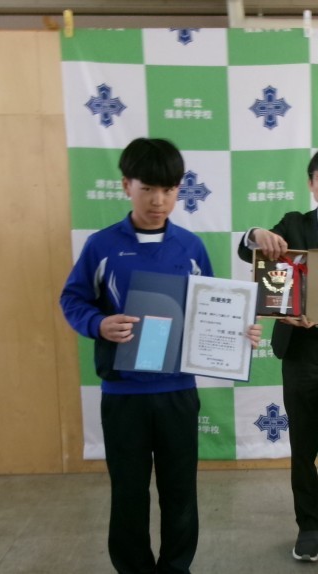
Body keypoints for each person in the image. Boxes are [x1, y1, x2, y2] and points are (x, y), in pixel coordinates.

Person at [61, 137, 262, 574]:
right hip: (123, 394)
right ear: (126, 186)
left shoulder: (190, 247)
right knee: (128, 493)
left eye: (169, 190)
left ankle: (176, 568)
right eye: (148, 188)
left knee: (180, 492)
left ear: (178, 189)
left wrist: (238, 330)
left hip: (177, 392)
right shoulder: (101, 246)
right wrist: (99, 324)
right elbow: (73, 299)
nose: (158, 201)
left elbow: (212, 308)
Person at [237, 151, 318, 563]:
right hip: (302, 354)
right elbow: (248, 252)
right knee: (303, 447)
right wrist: (254, 234)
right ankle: (310, 527)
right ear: (311, 183)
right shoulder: (294, 224)